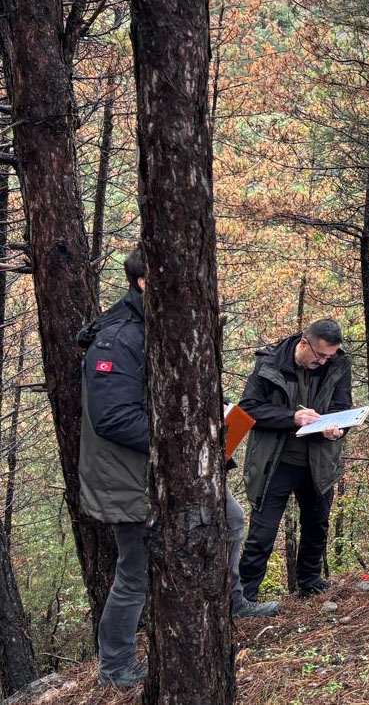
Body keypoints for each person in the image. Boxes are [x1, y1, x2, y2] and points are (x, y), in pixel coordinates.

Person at [79, 249, 278, 691]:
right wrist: (186, 446)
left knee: (230, 520)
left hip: (177, 464)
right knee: (135, 570)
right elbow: (112, 418)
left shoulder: (165, 326)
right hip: (128, 474)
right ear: (145, 282)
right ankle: (115, 668)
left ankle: (232, 602)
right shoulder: (117, 339)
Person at [237, 319, 351, 601]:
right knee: (263, 532)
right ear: (304, 343)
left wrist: (338, 429)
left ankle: (309, 582)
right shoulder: (270, 363)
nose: (324, 361)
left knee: (317, 523)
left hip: (319, 460)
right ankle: (245, 595)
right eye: (320, 355)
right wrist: (292, 418)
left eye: (329, 356)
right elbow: (248, 410)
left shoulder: (338, 365)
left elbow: (342, 406)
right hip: (275, 461)